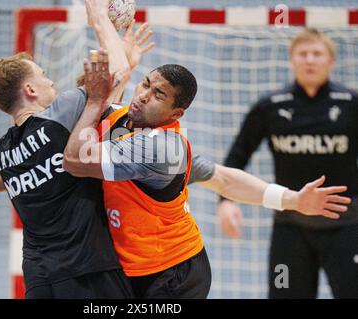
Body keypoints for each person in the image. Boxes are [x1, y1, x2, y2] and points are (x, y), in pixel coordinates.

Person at [61, 57, 351, 299]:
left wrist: (291, 199)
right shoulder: (122, 118)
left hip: (174, 270)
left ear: (177, 113)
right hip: (133, 268)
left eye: (158, 95)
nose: (143, 95)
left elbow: (74, 161)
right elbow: (220, 177)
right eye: (146, 83)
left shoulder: (163, 149)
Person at [0, 1, 154, 299]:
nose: (49, 79)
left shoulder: (4, 150)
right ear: (30, 90)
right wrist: (99, 18)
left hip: (40, 279)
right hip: (86, 270)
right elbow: (111, 79)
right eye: (42, 73)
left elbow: (57, 159)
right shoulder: (59, 115)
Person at [217, 28, 358, 298]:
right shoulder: (269, 107)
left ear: (331, 61)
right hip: (290, 226)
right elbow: (237, 157)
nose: (310, 60)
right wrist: (225, 201)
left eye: (317, 54)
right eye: (302, 54)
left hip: (347, 225)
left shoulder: (352, 104)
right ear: (292, 60)